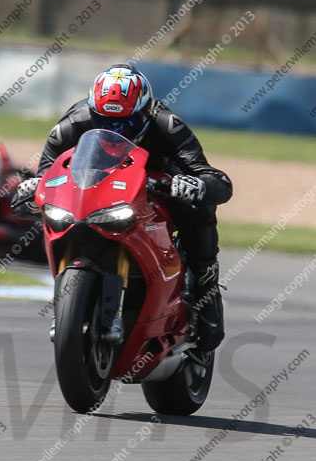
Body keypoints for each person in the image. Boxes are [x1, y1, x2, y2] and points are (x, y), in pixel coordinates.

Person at [13, 64, 233, 351]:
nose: (116, 129)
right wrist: (33, 190)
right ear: (93, 111)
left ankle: (205, 283)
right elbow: (49, 175)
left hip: (157, 183)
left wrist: (195, 185)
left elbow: (216, 179)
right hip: (97, 190)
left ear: (146, 110)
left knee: (198, 209)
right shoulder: (70, 126)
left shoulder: (168, 125)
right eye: (105, 121)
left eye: (127, 122)